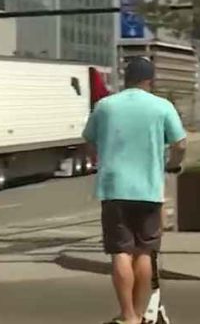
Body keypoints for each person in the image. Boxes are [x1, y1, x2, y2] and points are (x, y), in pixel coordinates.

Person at [82, 57, 188, 324]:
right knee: (144, 252)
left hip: (114, 188)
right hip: (148, 190)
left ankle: (127, 315)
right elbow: (181, 143)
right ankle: (141, 314)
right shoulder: (162, 106)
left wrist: (102, 159)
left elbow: (89, 140)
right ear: (149, 80)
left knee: (120, 252)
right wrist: (172, 164)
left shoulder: (105, 106)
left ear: (126, 79)